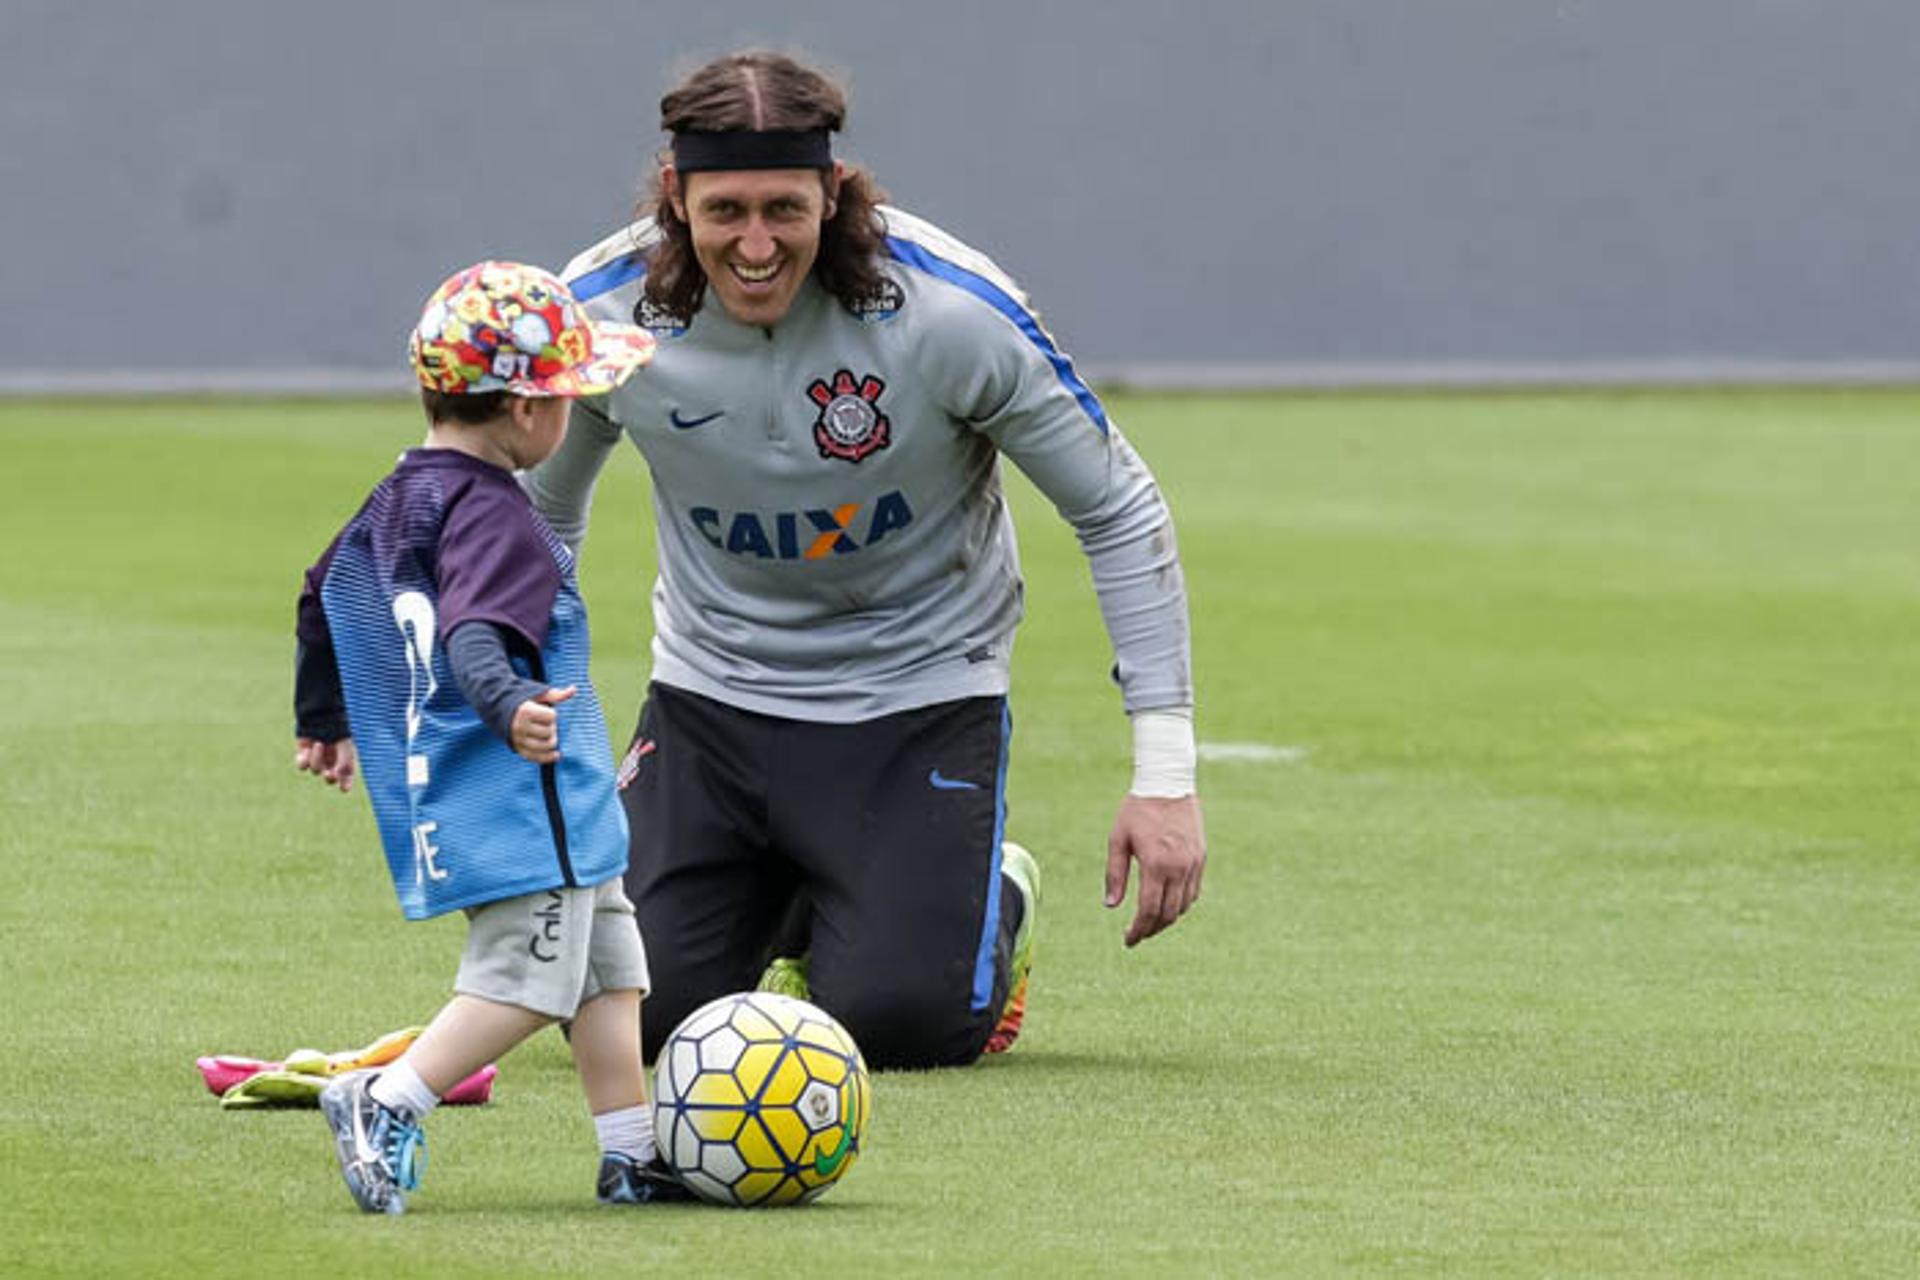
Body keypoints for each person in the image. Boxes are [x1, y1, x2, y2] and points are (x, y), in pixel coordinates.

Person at [526, 51, 1206, 1070]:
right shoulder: (603, 317)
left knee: (902, 1023)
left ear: (833, 193)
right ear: (675, 197)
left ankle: (992, 890)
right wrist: (538, 720)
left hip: (918, 696)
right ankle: (808, 895)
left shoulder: (947, 315)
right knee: (629, 1019)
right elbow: (539, 513)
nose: (757, 245)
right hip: (711, 700)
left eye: (785, 210)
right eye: (726, 211)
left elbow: (1117, 504)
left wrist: (1165, 778)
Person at [292, 261, 688, 1212]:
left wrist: (324, 718)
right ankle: (387, 1097)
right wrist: (509, 702)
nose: (570, 417)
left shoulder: (401, 497)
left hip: (500, 795)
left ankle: (629, 1151)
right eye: (565, 397)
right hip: (523, 794)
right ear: (522, 411)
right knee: (528, 979)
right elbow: (476, 633)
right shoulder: (496, 514)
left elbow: (321, 593)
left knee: (607, 969)